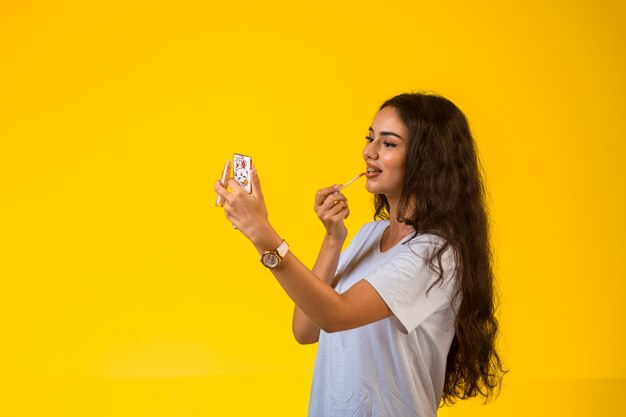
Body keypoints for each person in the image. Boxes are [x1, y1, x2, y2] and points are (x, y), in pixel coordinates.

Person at [213, 92, 506, 416]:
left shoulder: (435, 255)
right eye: (371, 139)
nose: (369, 152)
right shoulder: (369, 234)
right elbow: (306, 329)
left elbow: (336, 315)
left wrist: (261, 232)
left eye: (389, 143)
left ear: (427, 158)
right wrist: (333, 238)